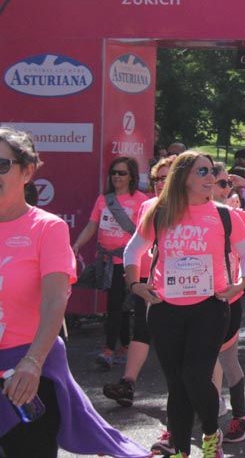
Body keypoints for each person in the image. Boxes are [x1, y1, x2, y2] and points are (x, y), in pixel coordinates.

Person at [0, 128, 148, 458]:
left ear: (27, 172)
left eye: (1, 165)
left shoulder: (46, 228)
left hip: (26, 370)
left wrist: (32, 362)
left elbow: (55, 299)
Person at [124, 151, 245, 458]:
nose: (211, 178)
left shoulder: (225, 214)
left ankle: (210, 434)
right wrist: (136, 286)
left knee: (195, 375)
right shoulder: (161, 211)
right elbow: (132, 252)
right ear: (184, 177)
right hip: (165, 309)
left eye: (212, 173)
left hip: (209, 307)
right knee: (176, 384)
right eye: (203, 172)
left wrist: (241, 283)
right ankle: (180, 448)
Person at [102, 156, 172, 410]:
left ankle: (206, 394)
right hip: (147, 279)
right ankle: (127, 383)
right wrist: (133, 281)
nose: (160, 183)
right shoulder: (149, 205)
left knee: (181, 341)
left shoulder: (192, 207)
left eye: (166, 178)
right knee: (141, 330)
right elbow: (135, 246)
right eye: (156, 178)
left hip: (181, 286)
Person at [71, 156, 149, 370]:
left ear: (131, 176)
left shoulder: (142, 200)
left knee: (115, 305)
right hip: (106, 261)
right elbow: (91, 225)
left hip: (128, 261)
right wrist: (77, 244)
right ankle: (123, 346)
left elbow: (146, 232)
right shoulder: (103, 200)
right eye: (114, 172)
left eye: (122, 173)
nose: (116, 176)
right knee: (119, 304)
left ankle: (108, 349)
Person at [208, 163, 245, 445]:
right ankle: (199, 419)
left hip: (228, 300)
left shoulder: (235, 216)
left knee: (227, 360)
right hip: (192, 301)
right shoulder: (184, 214)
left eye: (228, 184)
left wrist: (242, 282)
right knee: (192, 363)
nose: (226, 189)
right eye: (221, 183)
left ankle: (240, 416)